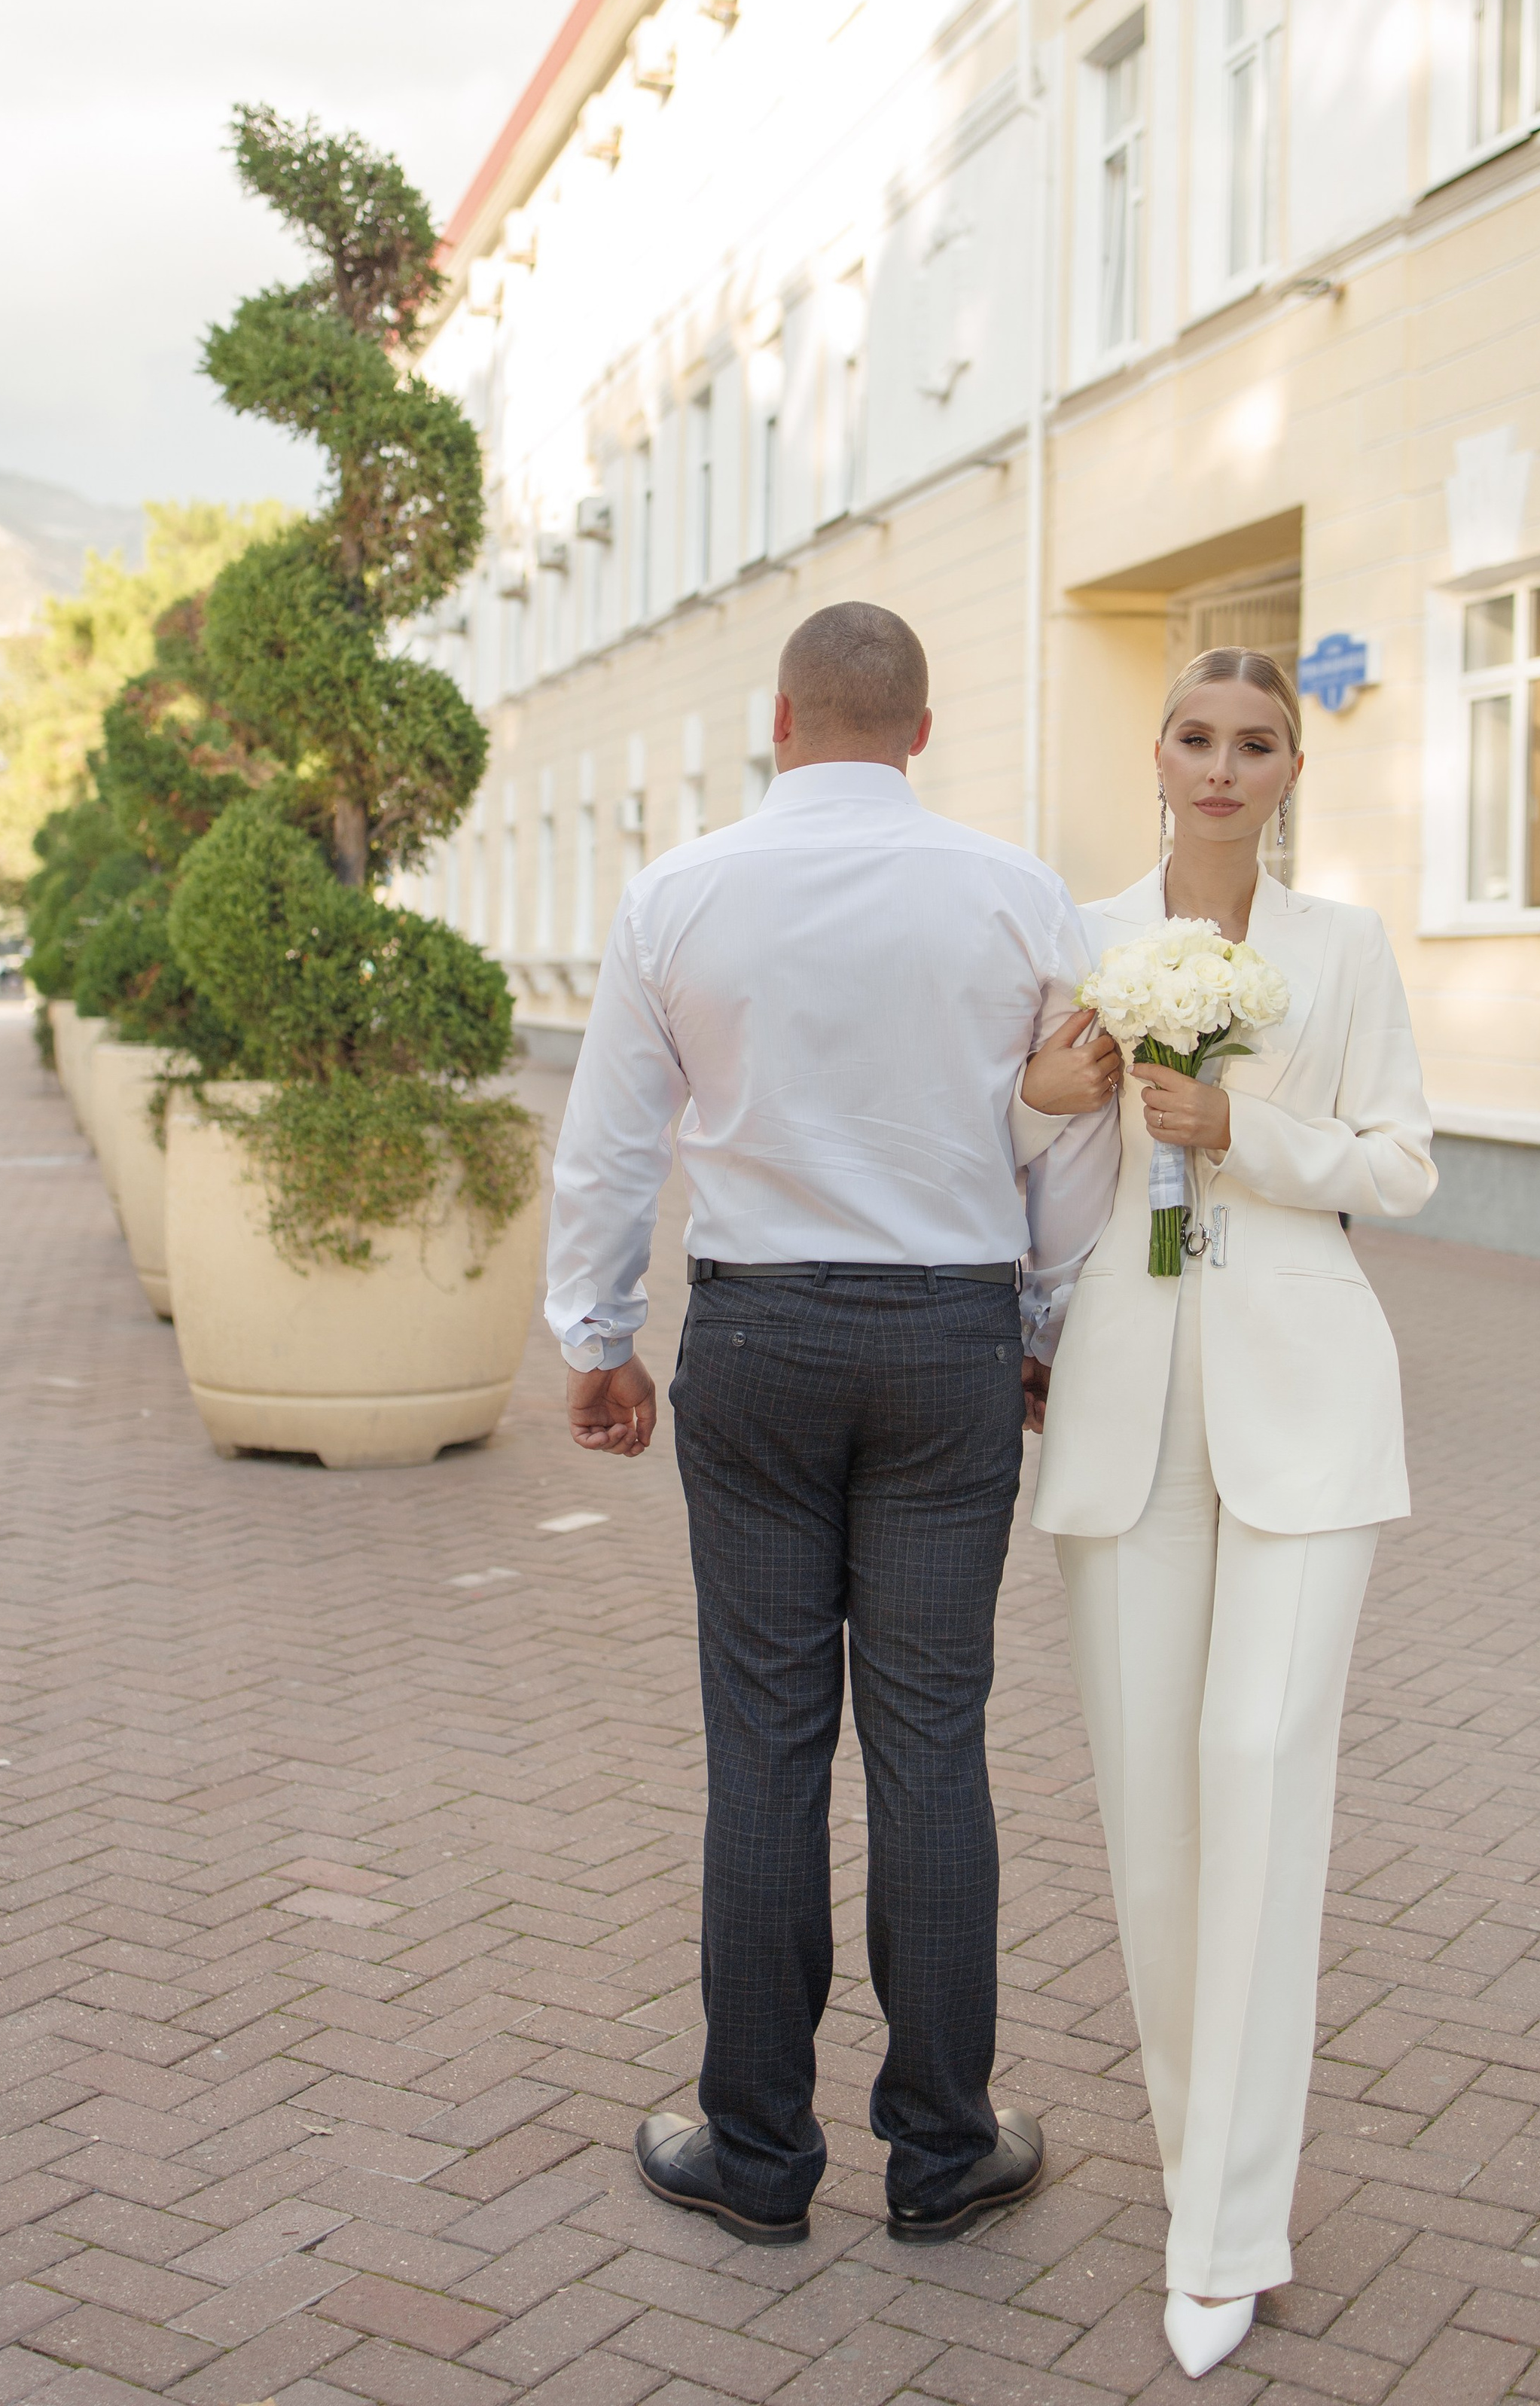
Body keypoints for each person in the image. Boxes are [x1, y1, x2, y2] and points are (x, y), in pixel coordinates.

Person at [546, 602, 1118, 2248]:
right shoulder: (1015, 895)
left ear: (778, 723)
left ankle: (756, 2151)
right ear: (919, 733)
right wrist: (1042, 1326)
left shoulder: (679, 892)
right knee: (932, 1748)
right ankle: (941, 2153)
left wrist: (598, 1337)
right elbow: (1066, 1143)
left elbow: (609, 1145)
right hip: (944, 1340)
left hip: (756, 1338)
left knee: (768, 1744)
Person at [1015, 647, 1435, 2380]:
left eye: (1252, 741)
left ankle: (1226, 2233)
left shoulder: (1339, 948)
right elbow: (1029, 1134)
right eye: (1193, 734)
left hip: (1309, 1400)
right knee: (1152, 1825)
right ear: (1160, 751)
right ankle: (1202, 2178)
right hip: (1125, 1402)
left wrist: (1243, 1129)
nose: (1218, 762)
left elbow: (1400, 1161)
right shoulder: (1080, 922)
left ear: (1285, 770)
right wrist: (1059, 1087)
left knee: (1260, 1764)